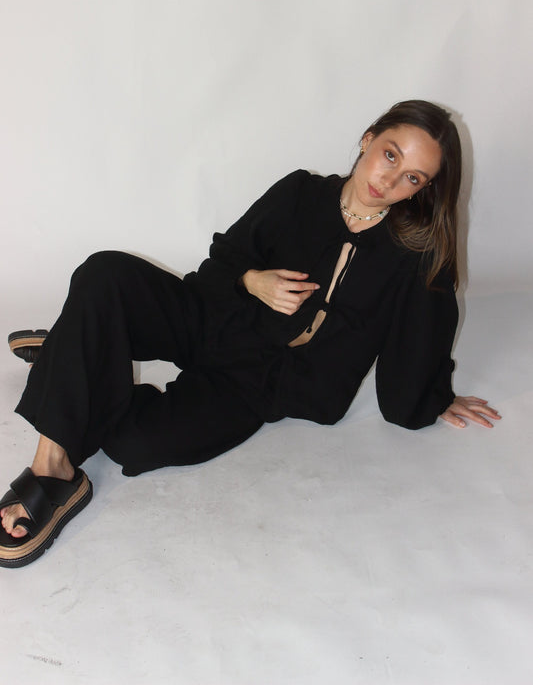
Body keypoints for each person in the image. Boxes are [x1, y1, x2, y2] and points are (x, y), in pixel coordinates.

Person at [0, 99, 500, 567]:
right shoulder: (301, 192)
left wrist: (434, 397)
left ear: (422, 189)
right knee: (105, 272)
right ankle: (53, 467)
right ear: (368, 139)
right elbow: (221, 263)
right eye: (390, 155)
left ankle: (79, 350)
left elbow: (417, 347)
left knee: (134, 445)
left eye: (412, 177)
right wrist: (252, 281)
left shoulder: (416, 257)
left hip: (257, 382)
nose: (389, 180)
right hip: (215, 317)